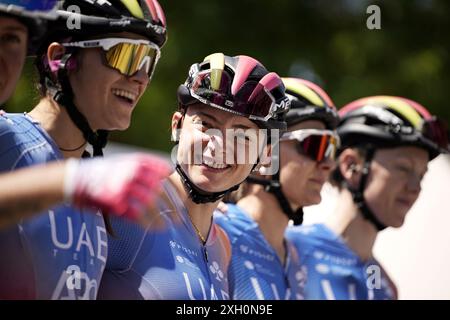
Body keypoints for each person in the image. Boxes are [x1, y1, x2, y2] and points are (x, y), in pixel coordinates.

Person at [0, 0, 168, 299]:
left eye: (149, 61)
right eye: (126, 55)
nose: (140, 78)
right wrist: (70, 182)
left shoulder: (98, 187)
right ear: (60, 57)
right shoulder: (6, 136)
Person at [97, 52, 291, 300]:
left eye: (242, 135)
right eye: (206, 124)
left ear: (265, 154)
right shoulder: (128, 208)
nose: (219, 144)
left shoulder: (222, 245)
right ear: (177, 126)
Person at [286, 95, 449, 299]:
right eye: (403, 168)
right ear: (350, 166)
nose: (415, 187)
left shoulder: (385, 285)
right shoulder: (289, 250)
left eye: (421, 175)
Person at [214, 77, 340, 299]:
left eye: (331, 148)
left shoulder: (297, 255)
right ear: (265, 152)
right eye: (315, 146)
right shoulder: (218, 230)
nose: (328, 164)